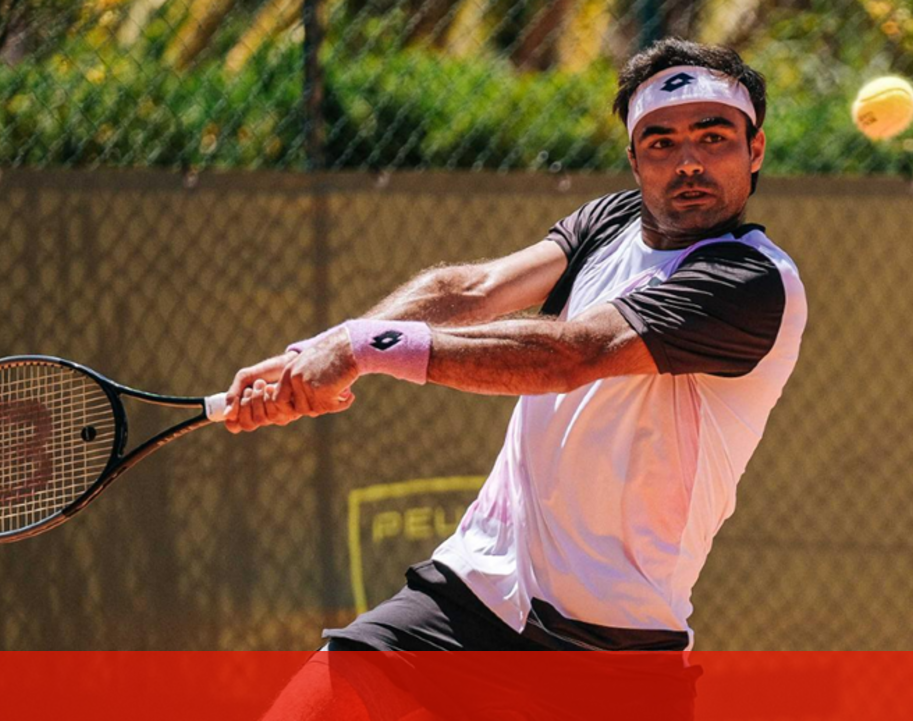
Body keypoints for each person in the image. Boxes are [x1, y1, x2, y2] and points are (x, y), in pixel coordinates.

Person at [225, 38, 807, 719]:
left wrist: (363, 347)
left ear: (754, 149)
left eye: (713, 138)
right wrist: (321, 349)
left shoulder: (752, 282)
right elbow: (471, 289)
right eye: (661, 141)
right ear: (633, 159)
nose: (688, 162)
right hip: (470, 598)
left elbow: (573, 356)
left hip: (613, 653)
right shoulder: (609, 223)